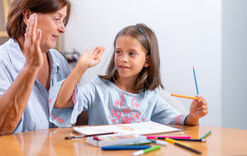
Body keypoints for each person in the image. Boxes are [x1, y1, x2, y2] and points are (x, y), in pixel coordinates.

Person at [0, 0, 75, 147]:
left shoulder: (58, 61)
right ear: (28, 16)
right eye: (57, 18)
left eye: (64, 20)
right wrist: (31, 68)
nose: (62, 28)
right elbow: (0, 128)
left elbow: (71, 118)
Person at [49, 23, 208, 126]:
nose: (122, 59)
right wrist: (80, 68)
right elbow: (60, 103)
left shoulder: (149, 97)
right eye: (119, 52)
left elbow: (180, 120)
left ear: (147, 61)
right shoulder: (97, 88)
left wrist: (194, 115)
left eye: (132, 54)